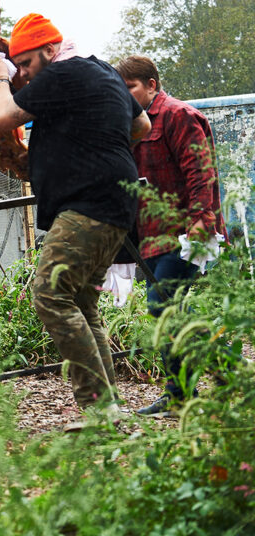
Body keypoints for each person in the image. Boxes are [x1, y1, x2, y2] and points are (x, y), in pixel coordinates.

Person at [0, 14, 150, 412]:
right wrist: (97, 141)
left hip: (88, 204)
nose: (23, 73)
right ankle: (109, 407)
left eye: (26, 64)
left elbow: (3, 117)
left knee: (50, 293)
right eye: (17, 66)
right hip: (116, 201)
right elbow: (140, 123)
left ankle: (97, 408)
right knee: (83, 302)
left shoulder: (62, 73)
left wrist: (0, 78)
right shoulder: (101, 71)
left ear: (51, 50)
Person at [114, 55, 226, 415]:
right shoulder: (132, 124)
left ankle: (185, 392)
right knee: (167, 310)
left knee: (161, 304)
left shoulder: (179, 115)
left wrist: (201, 221)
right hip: (149, 233)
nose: (126, 95)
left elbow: (200, 172)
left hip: (185, 231)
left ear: (151, 84)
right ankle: (213, 374)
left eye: (131, 87)